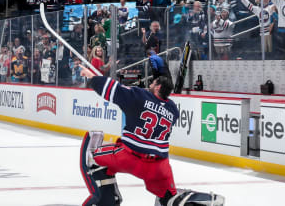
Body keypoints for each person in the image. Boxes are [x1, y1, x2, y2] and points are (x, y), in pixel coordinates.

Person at [78, 66, 224, 206]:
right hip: (159, 166)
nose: (150, 84)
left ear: (158, 87)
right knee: (169, 198)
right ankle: (201, 201)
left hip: (130, 157)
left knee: (92, 158)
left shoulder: (139, 96)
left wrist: (91, 76)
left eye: (153, 83)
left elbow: (112, 89)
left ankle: (107, 200)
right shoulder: (173, 110)